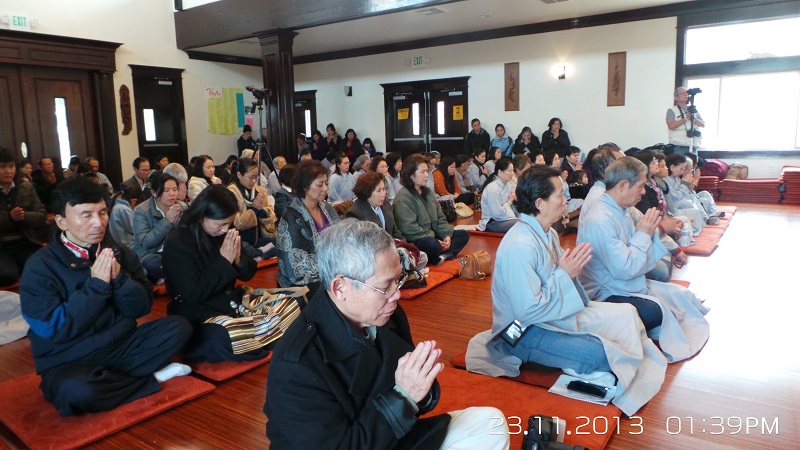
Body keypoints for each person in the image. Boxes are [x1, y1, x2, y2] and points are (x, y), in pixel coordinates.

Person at [265, 219, 509, 450]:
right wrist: (404, 397)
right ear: (340, 287)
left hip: (391, 437)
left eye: (398, 281)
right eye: (385, 286)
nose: (397, 294)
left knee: (490, 423)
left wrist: (419, 386)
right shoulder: (296, 364)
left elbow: (415, 398)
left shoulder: (387, 316)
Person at [465, 165, 667, 417]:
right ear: (540, 203)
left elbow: (561, 282)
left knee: (627, 313)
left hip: (550, 315)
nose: (566, 201)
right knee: (599, 355)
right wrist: (565, 274)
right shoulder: (520, 245)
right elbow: (526, 311)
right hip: (521, 333)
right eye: (560, 195)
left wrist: (567, 273)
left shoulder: (547, 233)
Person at [19, 176, 192, 416]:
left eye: (102, 213)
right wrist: (96, 288)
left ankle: (114, 382)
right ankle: (150, 378)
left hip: (120, 345)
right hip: (69, 359)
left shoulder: (119, 253)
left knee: (179, 327)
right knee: (76, 391)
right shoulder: (39, 267)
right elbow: (54, 330)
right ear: (61, 221)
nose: (98, 223)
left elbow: (142, 307)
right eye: (86, 215)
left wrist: (120, 280)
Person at [577, 157, 710, 362]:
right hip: (606, 291)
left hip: (628, 282)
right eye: (640, 186)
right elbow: (625, 268)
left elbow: (648, 233)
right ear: (623, 185)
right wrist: (643, 234)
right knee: (656, 310)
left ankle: (652, 322)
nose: (643, 192)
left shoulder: (624, 209)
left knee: (679, 293)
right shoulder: (599, 219)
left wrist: (658, 230)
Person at [163, 185, 271, 363]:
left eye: (229, 223)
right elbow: (193, 293)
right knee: (224, 336)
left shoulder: (222, 231)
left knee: (292, 302)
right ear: (201, 216)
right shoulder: (178, 242)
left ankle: (255, 333)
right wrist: (225, 261)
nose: (226, 229)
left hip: (230, 303)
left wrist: (237, 260)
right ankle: (258, 334)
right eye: (221, 224)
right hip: (199, 314)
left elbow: (248, 272)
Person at [276, 160, 340, 293]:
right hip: (303, 285)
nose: (325, 189)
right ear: (305, 186)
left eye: (326, 183)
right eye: (320, 184)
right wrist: (334, 265)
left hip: (331, 272)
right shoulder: (291, 218)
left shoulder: (327, 208)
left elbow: (341, 239)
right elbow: (295, 265)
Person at [393, 154, 470, 264]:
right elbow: (409, 229)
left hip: (434, 234)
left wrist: (446, 235)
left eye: (426, 171)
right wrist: (435, 238)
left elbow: (440, 217)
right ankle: (444, 253)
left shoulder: (427, 192)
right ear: (411, 175)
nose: (426, 175)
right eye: (422, 172)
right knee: (432, 245)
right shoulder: (403, 198)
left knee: (463, 234)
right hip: (419, 238)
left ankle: (442, 255)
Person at [0, 148, 47, 285]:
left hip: (26, 241)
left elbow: (41, 214)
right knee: (6, 276)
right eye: (2, 167)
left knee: (46, 268)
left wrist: (24, 216)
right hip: (2, 246)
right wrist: (9, 218)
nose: (8, 171)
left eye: (11, 166)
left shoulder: (25, 186)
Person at [133, 173, 187, 282]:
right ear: (154, 192)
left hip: (174, 252)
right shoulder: (142, 210)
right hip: (152, 254)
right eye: (166, 190)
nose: (172, 194)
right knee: (150, 262)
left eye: (175, 189)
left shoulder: (182, 206)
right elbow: (145, 243)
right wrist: (167, 221)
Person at [227, 157, 277, 260]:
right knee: (245, 248)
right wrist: (254, 209)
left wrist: (261, 210)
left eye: (256, 177)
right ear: (239, 175)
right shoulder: (230, 193)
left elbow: (270, 214)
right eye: (251, 177)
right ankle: (261, 254)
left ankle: (260, 255)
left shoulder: (259, 190)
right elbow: (236, 222)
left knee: (280, 241)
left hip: (257, 238)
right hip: (240, 240)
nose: (254, 181)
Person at [346, 172, 405, 241]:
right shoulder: (355, 213)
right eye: (379, 191)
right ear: (367, 192)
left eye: (384, 189)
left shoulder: (386, 205)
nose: (384, 194)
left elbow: (395, 232)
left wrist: (403, 245)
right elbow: (362, 242)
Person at [477, 158, 518, 232]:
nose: (512, 173)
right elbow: (497, 214)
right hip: (493, 222)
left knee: (528, 220)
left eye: (513, 171)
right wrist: (509, 201)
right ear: (500, 172)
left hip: (505, 218)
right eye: (510, 171)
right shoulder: (492, 188)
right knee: (521, 224)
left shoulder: (508, 185)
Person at [666, 86, 705, 153]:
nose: (685, 94)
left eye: (686, 93)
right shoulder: (672, 110)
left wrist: (693, 118)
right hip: (679, 146)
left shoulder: (693, 109)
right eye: (682, 93)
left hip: (693, 145)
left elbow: (703, 124)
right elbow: (671, 126)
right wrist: (686, 118)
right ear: (676, 97)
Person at [108, 185, 136, 250]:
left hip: (119, 245)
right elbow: (134, 229)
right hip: (125, 247)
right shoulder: (123, 209)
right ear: (134, 201)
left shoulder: (116, 205)